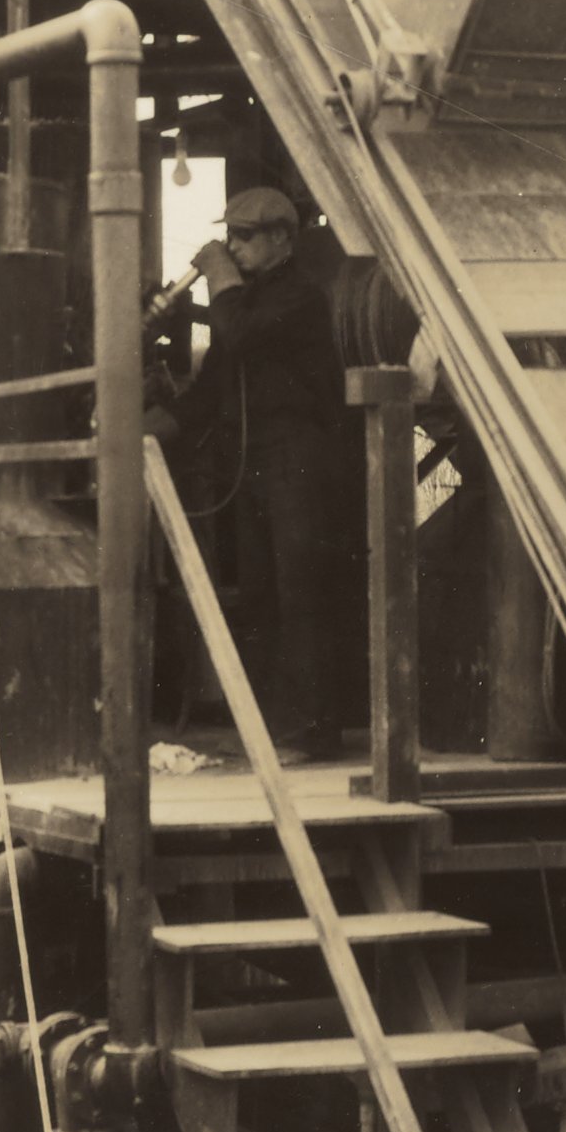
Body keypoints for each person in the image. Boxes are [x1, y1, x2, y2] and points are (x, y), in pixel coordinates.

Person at [151, 184, 355, 761]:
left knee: (301, 593)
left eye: (244, 238)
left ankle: (315, 732)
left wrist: (217, 275)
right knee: (262, 597)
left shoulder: (302, 299)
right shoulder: (245, 303)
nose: (234, 248)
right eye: (231, 238)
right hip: (258, 463)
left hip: (302, 460)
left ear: (282, 239)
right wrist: (150, 427)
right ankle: (273, 728)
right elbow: (211, 387)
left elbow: (239, 332)